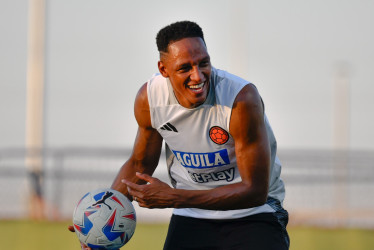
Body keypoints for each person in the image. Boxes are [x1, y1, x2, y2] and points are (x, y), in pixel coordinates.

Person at [71, 20, 289, 250]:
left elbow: (254, 191)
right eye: (185, 68)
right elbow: (140, 163)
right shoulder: (150, 99)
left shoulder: (240, 99)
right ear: (164, 69)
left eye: (203, 63)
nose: (198, 76)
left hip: (256, 213)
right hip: (192, 215)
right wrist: (101, 217)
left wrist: (174, 197)